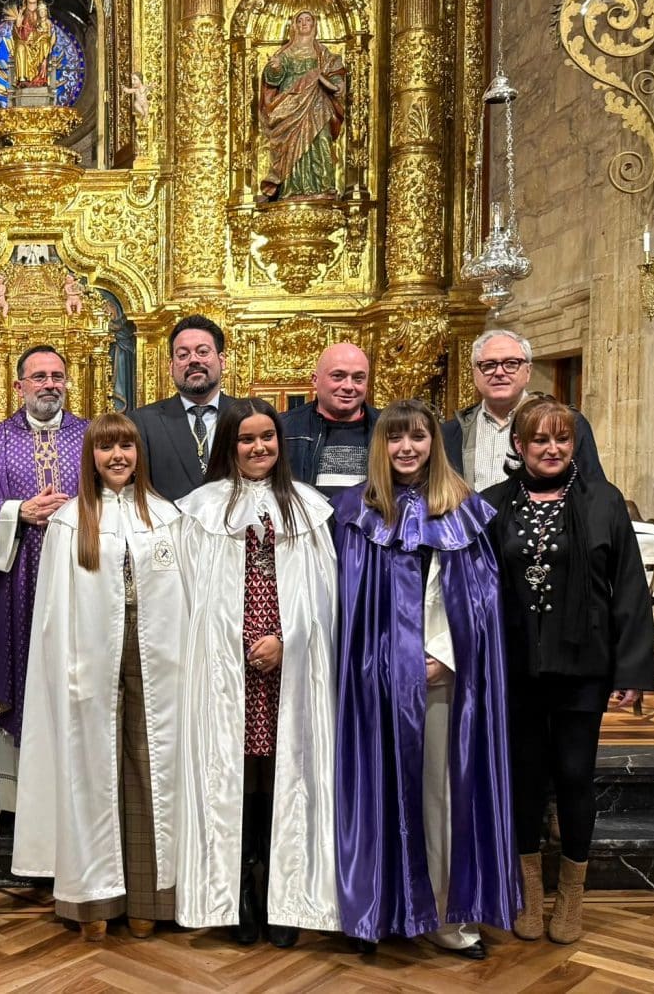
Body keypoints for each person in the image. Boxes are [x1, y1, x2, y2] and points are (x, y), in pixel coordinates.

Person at [332, 399, 518, 959]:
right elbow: (345, 607)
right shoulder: (356, 514)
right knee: (377, 792)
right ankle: (383, 908)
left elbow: (479, 605)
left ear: (435, 444)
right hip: (375, 683)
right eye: (395, 438)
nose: (407, 448)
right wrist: (377, 663)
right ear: (380, 447)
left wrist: (445, 655)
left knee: (439, 797)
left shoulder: (464, 513)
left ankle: (440, 914)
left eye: (418, 437)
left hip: (440, 681)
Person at [485, 397, 654, 944]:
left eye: (563, 438)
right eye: (540, 440)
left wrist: (630, 670)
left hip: (584, 667)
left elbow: (629, 591)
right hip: (517, 668)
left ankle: (572, 899)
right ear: (520, 446)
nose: (553, 448)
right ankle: (531, 896)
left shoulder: (605, 503)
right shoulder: (493, 505)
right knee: (526, 780)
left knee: (576, 777)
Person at [12, 413, 187, 940]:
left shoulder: (166, 516)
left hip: (156, 662)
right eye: (106, 448)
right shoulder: (70, 521)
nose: (118, 457)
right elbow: (53, 613)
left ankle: (148, 899)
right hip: (89, 663)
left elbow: (186, 600)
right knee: (91, 772)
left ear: (139, 454)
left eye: (126, 448)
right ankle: (93, 901)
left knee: (149, 769)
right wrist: (64, 668)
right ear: (90, 457)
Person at [174, 399, 339, 947]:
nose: (259, 447)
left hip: (286, 665)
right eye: (246, 439)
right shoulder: (198, 511)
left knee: (282, 777)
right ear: (229, 445)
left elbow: (325, 598)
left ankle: (282, 890)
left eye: (268, 437)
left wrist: (288, 641)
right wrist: (230, 645)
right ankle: (241, 888)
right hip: (228, 669)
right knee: (238, 778)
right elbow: (188, 598)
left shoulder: (309, 509)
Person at [0, 346, 89, 755]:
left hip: (82, 575)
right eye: (39, 377)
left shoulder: (93, 437)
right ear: (19, 385)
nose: (50, 384)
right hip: (16, 580)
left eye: (57, 376)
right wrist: (19, 510)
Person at [441, 329, 604, 490]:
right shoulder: (450, 433)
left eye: (511, 364)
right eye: (489, 365)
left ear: (528, 371)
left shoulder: (568, 423)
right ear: (475, 374)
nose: (499, 372)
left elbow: (592, 491)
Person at [130, 315, 244, 500]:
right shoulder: (143, 422)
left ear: (222, 360)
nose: (193, 360)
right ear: (171, 366)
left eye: (203, 352)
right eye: (183, 355)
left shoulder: (246, 416)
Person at [259, 11, 346, 202]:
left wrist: (333, 82)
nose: (304, 23)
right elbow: (273, 80)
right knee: (290, 147)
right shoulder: (285, 54)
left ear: (315, 25)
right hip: (290, 104)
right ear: (294, 26)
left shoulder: (324, 55)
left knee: (321, 141)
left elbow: (336, 77)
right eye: (300, 20)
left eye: (308, 20)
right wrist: (274, 69)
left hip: (318, 105)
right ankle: (292, 189)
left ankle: (322, 186)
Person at [279, 342, 378, 496]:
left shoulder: (387, 428)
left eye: (358, 378)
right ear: (314, 379)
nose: (348, 386)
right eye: (338, 376)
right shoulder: (284, 429)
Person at [4, 0, 55, 88]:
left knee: (44, 43)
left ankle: (40, 79)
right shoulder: (22, 12)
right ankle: (23, 79)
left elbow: (47, 32)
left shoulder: (42, 12)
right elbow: (16, 37)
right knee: (20, 46)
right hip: (25, 45)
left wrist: (41, 36)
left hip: (39, 45)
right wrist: (17, 25)